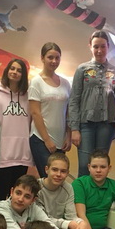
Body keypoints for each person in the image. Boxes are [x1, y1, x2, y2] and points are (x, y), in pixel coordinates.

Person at [68, 31, 115, 177]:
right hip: (86, 125)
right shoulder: (82, 69)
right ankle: (82, 193)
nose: (99, 50)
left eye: (103, 46)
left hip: (106, 125)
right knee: (84, 165)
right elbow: (74, 99)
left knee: (100, 167)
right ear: (90, 47)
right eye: (96, 46)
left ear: (108, 46)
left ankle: (98, 192)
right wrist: (74, 129)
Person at [0, 58, 34, 201]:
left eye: (19, 70)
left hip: (22, 154)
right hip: (3, 154)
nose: (15, 72)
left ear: (23, 75)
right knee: (1, 196)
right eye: (12, 68)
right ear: (7, 71)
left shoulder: (29, 97)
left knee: (18, 197)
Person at [29, 42, 71, 177]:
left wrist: (68, 136)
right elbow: (35, 113)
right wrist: (47, 140)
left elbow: (68, 111)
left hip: (61, 141)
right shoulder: (36, 82)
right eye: (50, 57)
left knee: (58, 178)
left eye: (57, 58)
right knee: (48, 178)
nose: (54, 61)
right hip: (41, 139)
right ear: (42, 58)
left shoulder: (65, 83)